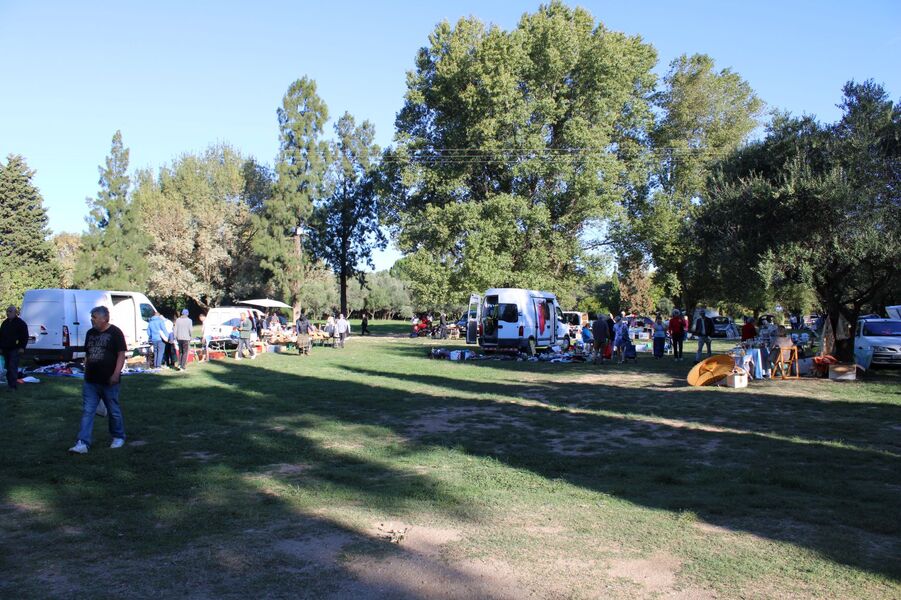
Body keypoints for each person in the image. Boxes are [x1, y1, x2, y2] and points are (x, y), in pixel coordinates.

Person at [68, 306, 127, 454]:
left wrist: (115, 374)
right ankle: (82, 442)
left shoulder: (115, 332)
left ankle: (118, 436)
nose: (92, 320)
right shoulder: (90, 333)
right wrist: (86, 372)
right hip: (91, 380)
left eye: (94, 317)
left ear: (104, 318)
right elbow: (87, 355)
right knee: (88, 411)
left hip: (109, 381)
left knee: (113, 410)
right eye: (92, 317)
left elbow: (121, 354)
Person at [0, 306, 28, 391]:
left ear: (15, 312)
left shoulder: (20, 323)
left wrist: (22, 347)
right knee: (7, 367)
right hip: (5, 348)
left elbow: (25, 336)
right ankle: (9, 384)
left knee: (12, 366)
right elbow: (1, 336)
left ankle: (13, 386)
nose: (8, 313)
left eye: (10, 311)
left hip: (15, 348)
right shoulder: (5, 323)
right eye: (7, 311)